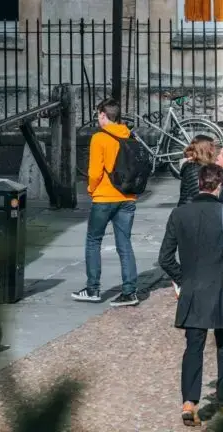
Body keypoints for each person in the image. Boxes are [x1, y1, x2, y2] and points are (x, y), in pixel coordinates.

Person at [158, 164, 223, 426]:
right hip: (222, 289)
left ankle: (189, 402)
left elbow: (165, 258)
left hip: (193, 290)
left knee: (193, 347)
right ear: (219, 185)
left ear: (199, 183)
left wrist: (182, 279)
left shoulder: (179, 213)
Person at [72, 98, 140, 307]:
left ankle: (93, 289)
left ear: (103, 115)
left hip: (104, 196)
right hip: (127, 197)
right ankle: (130, 291)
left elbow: (94, 172)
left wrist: (92, 189)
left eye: (98, 115)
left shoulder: (99, 138)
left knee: (93, 241)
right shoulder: (129, 134)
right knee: (124, 244)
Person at [178, 135, 217, 207]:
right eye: (212, 148)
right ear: (205, 150)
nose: (214, 151)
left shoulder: (199, 166)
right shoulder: (194, 169)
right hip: (190, 211)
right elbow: (199, 195)